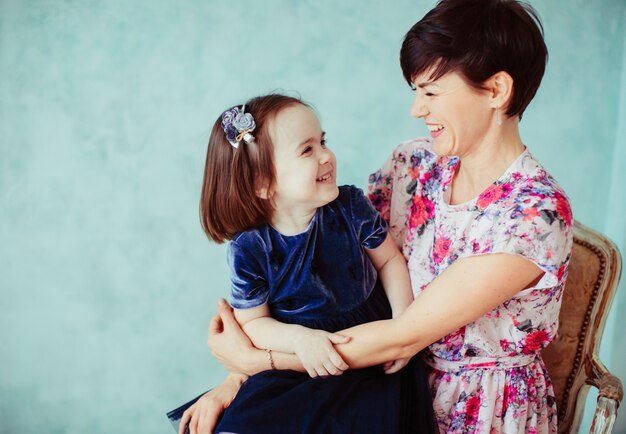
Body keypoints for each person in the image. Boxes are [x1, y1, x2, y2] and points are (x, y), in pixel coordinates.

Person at [192, 0, 575, 433]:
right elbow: (324, 279)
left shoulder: (533, 214)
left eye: (430, 91)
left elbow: (405, 334)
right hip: (364, 379)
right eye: (415, 91)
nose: (417, 109)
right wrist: (238, 380)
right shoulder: (415, 165)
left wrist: (255, 360)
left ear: (496, 90)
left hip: (476, 407)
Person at [169, 94, 437, 434]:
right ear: (262, 183)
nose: (326, 155)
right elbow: (253, 324)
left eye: (323, 141)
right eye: (307, 150)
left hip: (370, 342)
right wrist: (299, 340)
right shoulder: (251, 248)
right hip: (299, 355)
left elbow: (389, 262)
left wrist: (403, 323)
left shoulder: (350, 206)